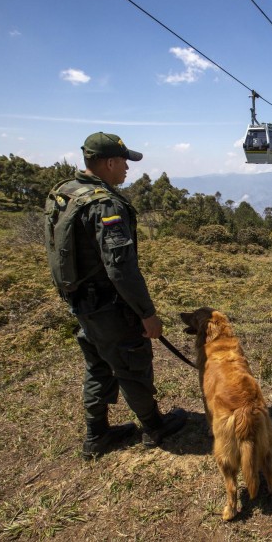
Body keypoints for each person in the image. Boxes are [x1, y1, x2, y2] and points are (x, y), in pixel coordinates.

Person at [49, 132, 186, 460]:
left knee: (98, 363)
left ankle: (97, 434)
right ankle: (155, 426)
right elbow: (120, 267)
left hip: (82, 302)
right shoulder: (104, 203)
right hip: (109, 304)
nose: (127, 168)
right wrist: (146, 313)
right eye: (124, 162)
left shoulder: (66, 191)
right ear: (109, 162)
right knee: (130, 363)